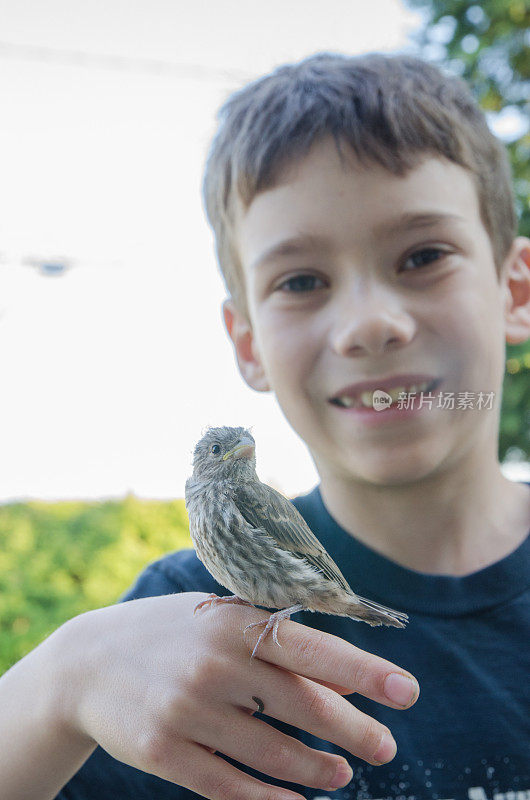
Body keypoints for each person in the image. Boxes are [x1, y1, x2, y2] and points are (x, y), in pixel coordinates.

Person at [1, 51, 529, 800]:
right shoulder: (164, 632)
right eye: (303, 281)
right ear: (247, 343)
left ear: (516, 289)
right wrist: (59, 684)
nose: (369, 325)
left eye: (423, 256)